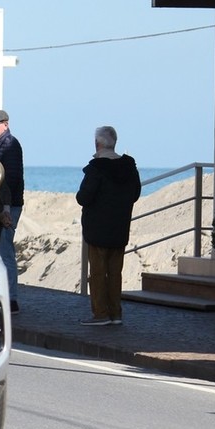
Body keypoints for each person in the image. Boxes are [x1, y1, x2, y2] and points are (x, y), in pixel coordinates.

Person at [75, 125, 141, 326]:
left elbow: (83, 197)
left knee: (97, 273)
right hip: (119, 227)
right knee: (115, 273)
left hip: (97, 229)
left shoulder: (96, 169)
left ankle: (101, 313)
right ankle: (116, 312)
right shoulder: (129, 167)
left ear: (98, 144)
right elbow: (135, 194)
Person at [0, 109, 25, 314]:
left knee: (5, 251)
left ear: (5, 124)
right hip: (1, 205)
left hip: (8, 206)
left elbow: (11, 179)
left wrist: (5, 208)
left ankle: (11, 300)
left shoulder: (10, 145)